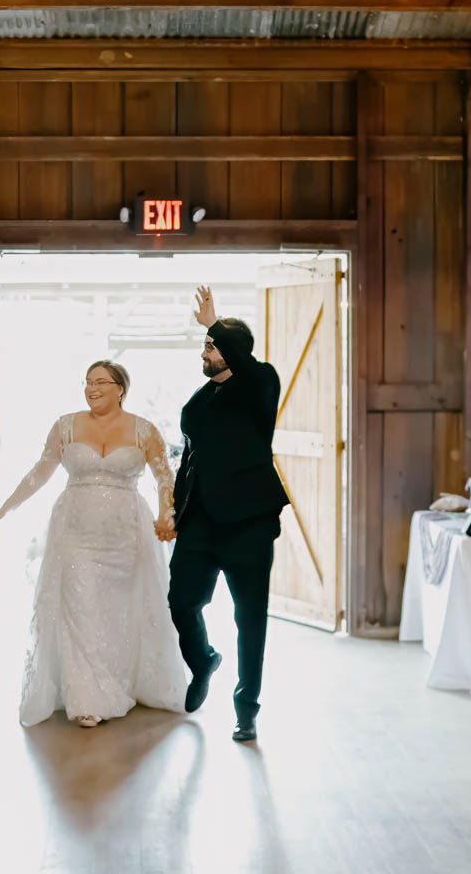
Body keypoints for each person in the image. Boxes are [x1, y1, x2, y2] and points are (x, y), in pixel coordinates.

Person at [0, 360, 187, 727]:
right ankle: (87, 698)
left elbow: (163, 476)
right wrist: (3, 510)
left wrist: (165, 515)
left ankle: (121, 681)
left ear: (120, 388)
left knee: (119, 611)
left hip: (127, 532)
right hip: (76, 532)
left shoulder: (145, 430)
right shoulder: (66, 426)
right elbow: (39, 473)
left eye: (100, 382)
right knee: (81, 608)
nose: (92, 389)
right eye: (87, 382)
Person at [169, 286, 289, 744]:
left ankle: (246, 708)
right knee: (181, 601)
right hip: (199, 522)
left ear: (232, 351)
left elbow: (245, 360)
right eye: (204, 344)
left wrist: (214, 323)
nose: (205, 350)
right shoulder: (198, 401)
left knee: (250, 616)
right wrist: (176, 512)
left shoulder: (261, 385)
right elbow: (190, 460)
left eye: (212, 346)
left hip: (249, 522)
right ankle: (203, 662)